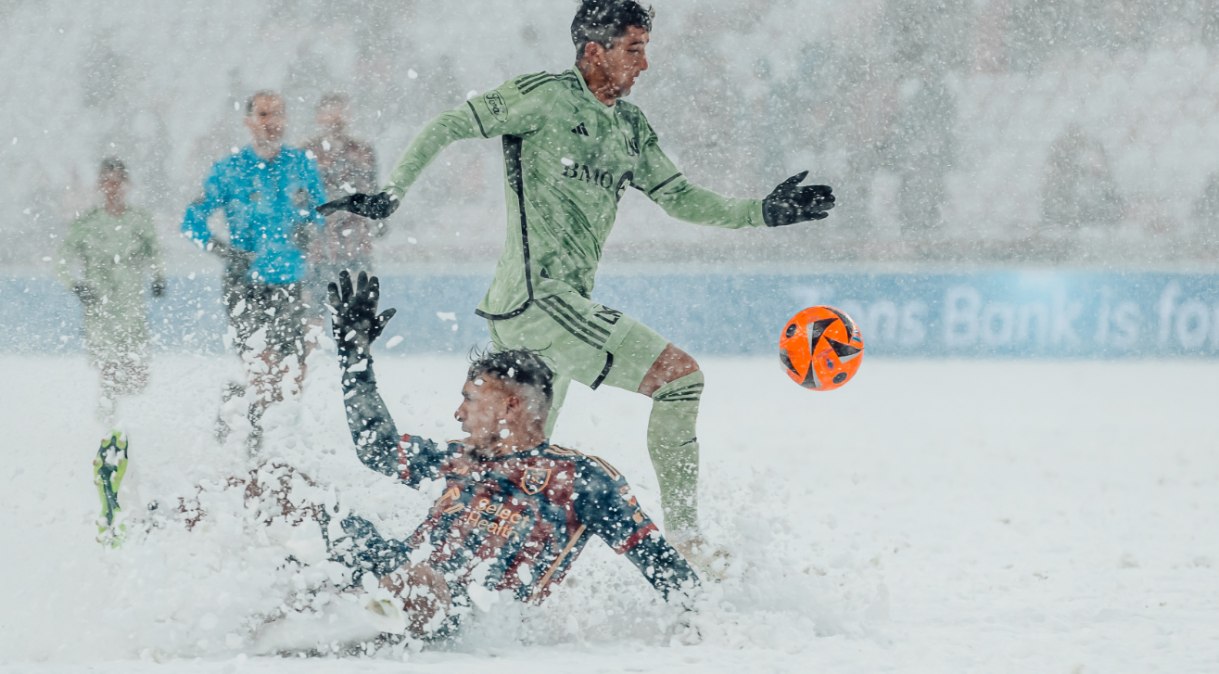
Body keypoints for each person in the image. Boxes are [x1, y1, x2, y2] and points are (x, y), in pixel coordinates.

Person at [318, 0, 835, 564]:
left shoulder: (630, 128)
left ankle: (441, 566)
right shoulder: (546, 96)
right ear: (596, 50)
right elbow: (451, 123)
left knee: (515, 459)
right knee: (679, 381)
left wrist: (762, 211)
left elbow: (680, 197)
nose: (644, 64)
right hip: (542, 300)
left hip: (540, 308)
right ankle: (688, 547)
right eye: (634, 49)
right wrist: (392, 194)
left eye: (645, 49)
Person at [324, 271, 698, 639]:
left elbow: (662, 565)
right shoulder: (459, 457)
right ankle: (320, 607)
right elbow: (378, 448)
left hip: (463, 610)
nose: (458, 413)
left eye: (469, 399)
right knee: (290, 488)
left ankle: (337, 616)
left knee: (421, 582)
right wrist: (353, 357)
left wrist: (706, 627)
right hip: (394, 572)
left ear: (509, 407)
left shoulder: (579, 479)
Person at [181, 90, 327, 452]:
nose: (272, 122)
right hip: (244, 284)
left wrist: (310, 227)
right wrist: (222, 249)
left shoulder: (301, 164)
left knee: (292, 372)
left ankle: (243, 406)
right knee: (262, 368)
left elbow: (322, 209)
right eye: (263, 115)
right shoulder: (228, 170)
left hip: (290, 280)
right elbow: (191, 220)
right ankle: (257, 438)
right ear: (249, 122)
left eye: (278, 113)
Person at [57, 157, 166, 544]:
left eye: (118, 182)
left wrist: (159, 277)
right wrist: (76, 285)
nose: (112, 188)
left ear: (127, 185)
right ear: (99, 185)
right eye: (106, 182)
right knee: (109, 367)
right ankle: (106, 429)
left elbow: (156, 252)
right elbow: (59, 259)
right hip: (100, 305)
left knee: (136, 373)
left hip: (131, 306)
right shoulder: (86, 224)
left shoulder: (138, 221)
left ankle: (131, 422)